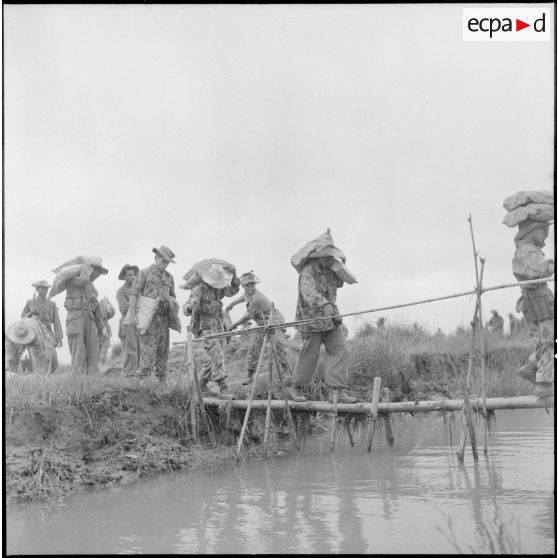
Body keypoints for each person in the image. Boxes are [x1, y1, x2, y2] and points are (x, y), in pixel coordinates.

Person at [288, 230, 358, 404]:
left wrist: (339, 267)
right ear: (319, 257)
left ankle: (337, 392)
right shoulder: (308, 272)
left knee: (340, 349)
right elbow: (308, 292)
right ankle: (296, 388)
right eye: (328, 257)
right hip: (311, 320)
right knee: (310, 355)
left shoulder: (331, 269)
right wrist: (324, 303)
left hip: (331, 320)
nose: (330, 259)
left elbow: (348, 279)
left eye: (332, 257)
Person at [511, 219, 554, 398]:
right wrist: (551, 265)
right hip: (538, 300)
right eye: (542, 230)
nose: (545, 234)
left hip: (538, 299)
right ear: (531, 230)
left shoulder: (529, 250)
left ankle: (531, 367)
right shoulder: (526, 251)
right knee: (550, 341)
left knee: (547, 340)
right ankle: (544, 384)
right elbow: (536, 270)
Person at [183, 262, 239, 397]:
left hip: (219, 325)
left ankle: (202, 385)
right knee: (216, 353)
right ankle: (223, 388)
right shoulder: (200, 288)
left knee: (215, 356)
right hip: (205, 327)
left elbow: (232, 291)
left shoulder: (219, 287)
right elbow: (187, 306)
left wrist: (235, 274)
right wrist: (190, 307)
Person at [227, 271, 290, 385]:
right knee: (254, 347)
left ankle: (286, 373)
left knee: (278, 344)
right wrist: (232, 304)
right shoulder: (247, 294)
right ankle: (249, 376)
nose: (250, 287)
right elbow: (242, 298)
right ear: (243, 286)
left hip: (274, 320)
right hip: (261, 322)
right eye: (248, 285)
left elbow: (247, 317)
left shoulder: (257, 298)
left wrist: (234, 325)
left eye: (252, 284)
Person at [126, 246, 177, 382]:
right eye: (163, 261)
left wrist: (172, 302)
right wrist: (132, 315)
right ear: (155, 258)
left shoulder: (169, 277)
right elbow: (133, 294)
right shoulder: (144, 273)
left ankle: (161, 386)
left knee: (163, 354)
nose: (165, 264)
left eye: (167, 262)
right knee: (147, 355)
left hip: (164, 319)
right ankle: (140, 387)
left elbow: (173, 296)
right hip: (148, 320)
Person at [58, 257, 108, 375]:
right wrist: (85, 269)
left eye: (99, 273)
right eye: (95, 271)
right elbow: (82, 280)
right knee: (79, 353)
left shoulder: (91, 286)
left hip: (89, 318)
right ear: (89, 269)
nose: (97, 275)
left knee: (93, 352)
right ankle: (78, 383)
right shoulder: (73, 279)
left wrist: (100, 326)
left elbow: (95, 305)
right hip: (75, 317)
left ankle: (92, 382)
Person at [21, 280, 63, 372]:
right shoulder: (30, 302)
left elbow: (56, 321)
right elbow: (23, 317)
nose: (45, 290)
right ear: (37, 289)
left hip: (47, 332)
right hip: (35, 333)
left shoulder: (52, 304)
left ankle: (49, 372)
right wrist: (30, 313)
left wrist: (59, 337)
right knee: (37, 357)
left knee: (53, 360)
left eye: (46, 288)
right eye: (42, 288)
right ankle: (38, 373)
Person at [116, 264, 140, 375]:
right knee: (130, 352)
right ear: (124, 277)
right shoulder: (121, 292)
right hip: (128, 323)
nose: (133, 277)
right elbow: (125, 308)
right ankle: (128, 375)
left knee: (140, 350)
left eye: (134, 274)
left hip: (139, 323)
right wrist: (135, 300)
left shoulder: (140, 288)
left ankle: (140, 375)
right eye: (129, 275)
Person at [98, 297, 115, 364]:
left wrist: (108, 302)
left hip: (105, 335)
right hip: (99, 335)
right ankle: (101, 365)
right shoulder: (96, 318)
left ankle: (103, 364)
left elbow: (113, 312)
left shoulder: (106, 317)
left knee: (104, 351)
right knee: (100, 353)